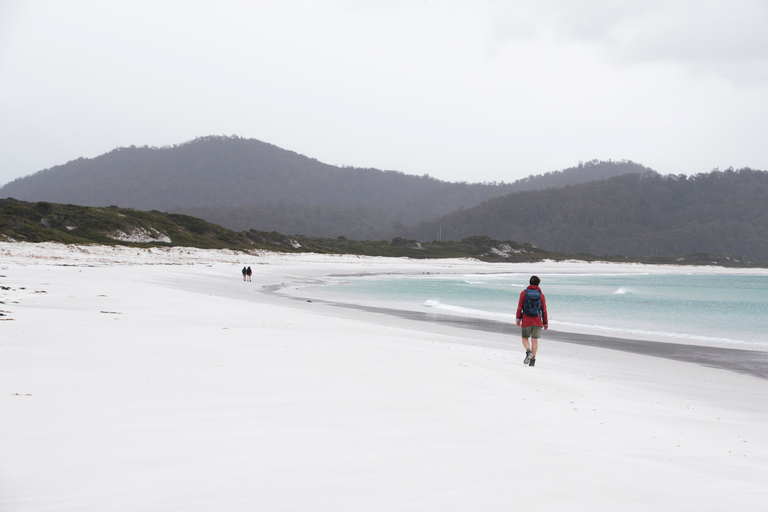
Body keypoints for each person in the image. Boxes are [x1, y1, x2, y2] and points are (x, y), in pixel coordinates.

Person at [516, 275, 548, 367]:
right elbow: (544, 310)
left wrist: (518, 319)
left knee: (524, 338)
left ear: (529, 282)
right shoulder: (541, 295)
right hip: (537, 320)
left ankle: (528, 352)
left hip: (526, 319)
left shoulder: (523, 293)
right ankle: (532, 361)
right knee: (535, 340)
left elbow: (519, 307)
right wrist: (545, 322)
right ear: (538, 284)